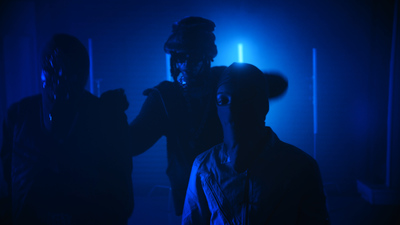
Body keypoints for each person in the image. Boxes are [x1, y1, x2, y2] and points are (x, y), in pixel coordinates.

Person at [0, 33, 134, 224]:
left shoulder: (106, 117)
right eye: (54, 70)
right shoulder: (17, 116)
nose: (60, 80)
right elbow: (9, 188)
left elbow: (121, 199)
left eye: (68, 71)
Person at [182, 62, 330, 224]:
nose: (232, 109)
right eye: (223, 100)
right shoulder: (203, 167)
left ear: (262, 104)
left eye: (244, 97)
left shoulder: (300, 167)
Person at [129, 16, 225, 216]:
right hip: (188, 198)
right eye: (181, 57)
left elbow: (272, 85)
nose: (187, 65)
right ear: (173, 59)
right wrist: (110, 117)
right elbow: (133, 142)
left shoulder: (224, 82)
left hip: (229, 189)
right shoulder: (165, 97)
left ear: (207, 58)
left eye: (195, 56)